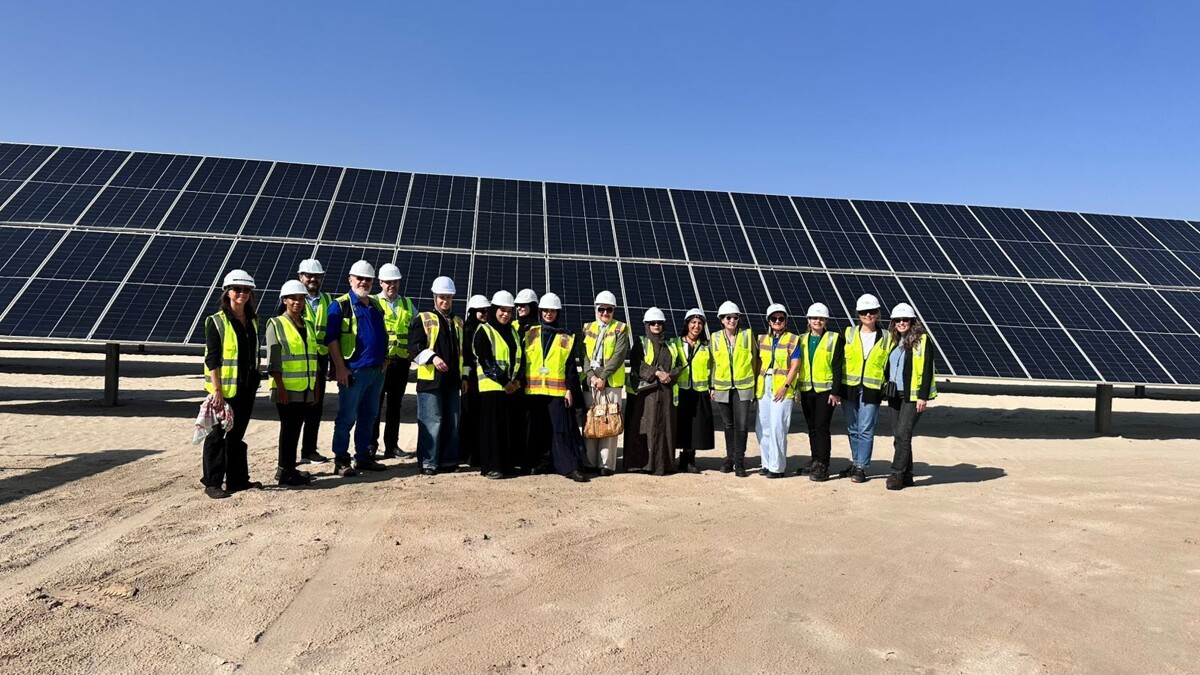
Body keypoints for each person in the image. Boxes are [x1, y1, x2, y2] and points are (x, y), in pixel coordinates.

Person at [200, 269, 262, 499]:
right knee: (217, 436)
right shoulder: (216, 321)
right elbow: (213, 358)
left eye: (246, 290)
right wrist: (217, 391)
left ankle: (238, 480)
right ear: (227, 292)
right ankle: (213, 482)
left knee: (237, 436)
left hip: (246, 388)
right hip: (224, 390)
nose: (242, 294)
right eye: (237, 289)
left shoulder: (253, 321)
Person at [325, 260, 390, 477]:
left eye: (368, 279)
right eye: (360, 278)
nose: (364, 282)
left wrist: (385, 358)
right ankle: (341, 459)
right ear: (350, 279)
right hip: (354, 371)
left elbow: (382, 334)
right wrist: (340, 368)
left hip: (375, 371)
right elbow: (332, 339)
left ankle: (363, 457)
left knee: (369, 416)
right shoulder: (340, 305)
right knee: (347, 417)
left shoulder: (375, 305)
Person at [524, 293, 589, 482]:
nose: (548, 314)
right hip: (533, 391)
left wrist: (570, 389)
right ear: (540, 312)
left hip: (557, 391)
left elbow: (570, 368)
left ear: (557, 312)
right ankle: (540, 463)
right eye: (545, 310)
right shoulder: (529, 333)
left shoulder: (566, 337)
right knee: (537, 429)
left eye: (552, 311)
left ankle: (569, 467)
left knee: (561, 430)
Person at [410, 276, 466, 476]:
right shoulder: (423, 319)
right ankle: (428, 462)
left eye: (449, 297)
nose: (445, 301)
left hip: (452, 381)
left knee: (452, 422)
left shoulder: (458, 322)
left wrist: (464, 378)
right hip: (430, 381)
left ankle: (448, 461)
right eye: (442, 297)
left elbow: (463, 353)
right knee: (432, 422)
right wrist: (432, 357)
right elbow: (414, 348)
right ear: (434, 297)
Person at [266, 279, 318, 487]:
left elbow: (313, 357)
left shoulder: (308, 325)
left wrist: (316, 387)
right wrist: (280, 388)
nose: (297, 302)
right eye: (292, 298)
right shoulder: (276, 324)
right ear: (284, 300)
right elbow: (274, 360)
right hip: (286, 388)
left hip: (305, 388)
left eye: (300, 298)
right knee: (288, 429)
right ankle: (286, 471)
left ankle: (286, 468)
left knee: (295, 428)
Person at [882, 303, 937, 491]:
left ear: (912, 322)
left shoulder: (922, 341)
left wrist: (923, 397)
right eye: (898, 320)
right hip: (895, 394)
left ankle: (896, 474)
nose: (901, 323)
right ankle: (907, 475)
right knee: (899, 435)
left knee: (903, 434)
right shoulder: (893, 341)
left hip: (912, 396)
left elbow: (928, 369)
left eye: (905, 320)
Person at [624, 308, 683, 475]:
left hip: (665, 392)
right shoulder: (640, 342)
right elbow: (637, 363)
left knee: (665, 428)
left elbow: (679, 365)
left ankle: (662, 464)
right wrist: (656, 373)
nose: (656, 325)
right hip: (644, 394)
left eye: (659, 323)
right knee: (642, 427)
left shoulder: (671, 345)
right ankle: (640, 464)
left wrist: (670, 375)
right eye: (652, 323)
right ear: (646, 325)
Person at [838, 294, 888, 484]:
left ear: (878, 313)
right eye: (864, 312)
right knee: (852, 427)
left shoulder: (886, 337)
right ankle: (856, 461)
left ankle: (861, 467)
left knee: (865, 428)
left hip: (872, 388)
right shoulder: (848, 333)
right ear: (858, 314)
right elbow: (838, 361)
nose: (868, 315)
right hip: (849, 386)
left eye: (872, 311)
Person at [474, 291, 525, 479]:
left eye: (510, 311)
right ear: (494, 310)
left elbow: (520, 357)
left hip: (510, 388)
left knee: (507, 429)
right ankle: (491, 466)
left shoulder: (512, 331)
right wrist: (504, 382)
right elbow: (486, 360)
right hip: (492, 388)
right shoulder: (484, 331)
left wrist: (518, 380)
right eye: (502, 310)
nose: (506, 314)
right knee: (492, 430)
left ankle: (506, 465)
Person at [580, 291, 630, 477]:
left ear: (613, 310)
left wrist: (603, 377)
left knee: (609, 421)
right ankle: (590, 462)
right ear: (596, 309)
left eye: (609, 309)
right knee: (591, 420)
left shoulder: (621, 328)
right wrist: (592, 376)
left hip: (610, 383)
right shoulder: (587, 328)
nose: (605, 313)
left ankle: (606, 464)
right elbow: (583, 354)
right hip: (591, 382)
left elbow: (619, 355)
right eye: (601, 309)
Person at [370, 263, 417, 460]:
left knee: (395, 406)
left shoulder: (407, 304)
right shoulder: (372, 302)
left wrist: (413, 353)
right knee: (374, 405)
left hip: (401, 363)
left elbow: (418, 328)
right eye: (388, 282)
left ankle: (392, 446)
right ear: (380, 282)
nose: (392, 285)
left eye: (395, 282)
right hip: (380, 364)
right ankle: (370, 445)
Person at [794, 302, 844, 482]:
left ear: (826, 321)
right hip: (807, 389)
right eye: (814, 318)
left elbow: (838, 366)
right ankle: (815, 459)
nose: (817, 321)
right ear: (808, 320)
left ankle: (823, 464)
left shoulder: (834, 338)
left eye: (821, 318)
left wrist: (836, 391)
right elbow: (798, 366)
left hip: (826, 391)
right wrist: (797, 389)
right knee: (812, 427)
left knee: (822, 427)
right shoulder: (801, 339)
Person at [710, 301, 757, 478]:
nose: (731, 320)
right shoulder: (714, 338)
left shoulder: (747, 335)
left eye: (735, 318)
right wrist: (712, 385)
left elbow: (755, 360)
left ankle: (739, 461)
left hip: (743, 387)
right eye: (728, 317)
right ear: (721, 320)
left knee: (742, 424)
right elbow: (713, 363)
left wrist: (755, 385)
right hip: (722, 387)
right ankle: (729, 458)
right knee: (728, 424)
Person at [754, 304, 800, 479]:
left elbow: (795, 366)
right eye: (774, 319)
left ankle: (777, 467)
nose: (777, 321)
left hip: (782, 386)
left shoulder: (793, 339)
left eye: (781, 318)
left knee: (778, 427)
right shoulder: (762, 339)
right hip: (764, 385)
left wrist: (786, 386)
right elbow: (758, 363)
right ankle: (766, 463)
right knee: (763, 427)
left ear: (786, 321)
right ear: (769, 321)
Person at [297, 259, 332, 465]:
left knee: (315, 407)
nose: (313, 279)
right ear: (300, 276)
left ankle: (310, 450)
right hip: (298, 362)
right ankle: (292, 454)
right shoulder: (291, 298)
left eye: (317, 276)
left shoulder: (328, 300)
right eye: (309, 276)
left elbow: (333, 333)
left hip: (320, 361)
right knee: (296, 409)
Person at [672, 308, 713, 473]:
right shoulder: (675, 343)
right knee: (680, 425)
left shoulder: (706, 346)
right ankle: (680, 459)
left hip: (699, 390)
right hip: (681, 390)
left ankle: (690, 459)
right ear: (687, 324)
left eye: (700, 323)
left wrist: (712, 386)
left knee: (695, 427)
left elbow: (713, 367)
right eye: (693, 323)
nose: (696, 326)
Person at [460, 294, 491, 468]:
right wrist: (465, 377)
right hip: (471, 380)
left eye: (486, 311)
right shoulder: (467, 330)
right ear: (472, 312)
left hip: (485, 380)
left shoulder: (488, 330)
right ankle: (468, 454)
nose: (485, 314)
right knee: (468, 416)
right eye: (481, 311)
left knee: (481, 417)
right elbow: (465, 355)